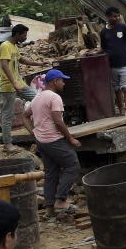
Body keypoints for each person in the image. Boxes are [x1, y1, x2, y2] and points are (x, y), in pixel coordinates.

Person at [22, 70, 80, 219]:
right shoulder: (54, 97)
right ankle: (60, 200)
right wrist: (70, 139)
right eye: (62, 80)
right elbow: (58, 121)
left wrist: (33, 132)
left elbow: (24, 116)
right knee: (73, 165)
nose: (64, 83)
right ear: (55, 81)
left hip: (41, 141)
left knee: (51, 173)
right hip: (53, 139)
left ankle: (49, 210)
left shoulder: (37, 98)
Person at [0, 25, 38, 147]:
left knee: (38, 99)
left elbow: (22, 60)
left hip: (19, 82)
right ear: (17, 34)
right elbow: (4, 65)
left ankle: (38, 126)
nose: (25, 37)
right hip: (8, 85)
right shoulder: (5, 46)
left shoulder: (14, 47)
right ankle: (7, 143)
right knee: (8, 114)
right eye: (24, 35)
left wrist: (39, 63)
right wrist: (14, 83)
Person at [99, 6, 126, 118]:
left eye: (118, 16)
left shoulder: (124, 28)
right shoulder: (104, 32)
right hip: (112, 66)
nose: (117, 18)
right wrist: (95, 53)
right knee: (117, 90)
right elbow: (104, 48)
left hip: (125, 64)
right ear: (107, 17)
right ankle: (121, 112)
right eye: (114, 16)